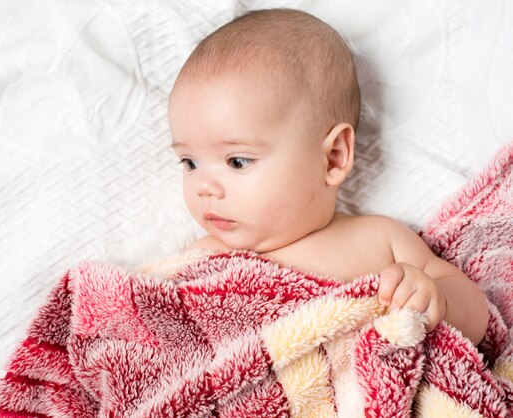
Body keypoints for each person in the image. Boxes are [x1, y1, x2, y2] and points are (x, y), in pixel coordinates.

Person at [168, 8, 489, 345]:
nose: (203, 186)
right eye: (189, 162)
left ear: (334, 157)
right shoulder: (202, 261)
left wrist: (436, 298)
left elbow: (476, 312)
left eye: (237, 161)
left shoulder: (380, 240)